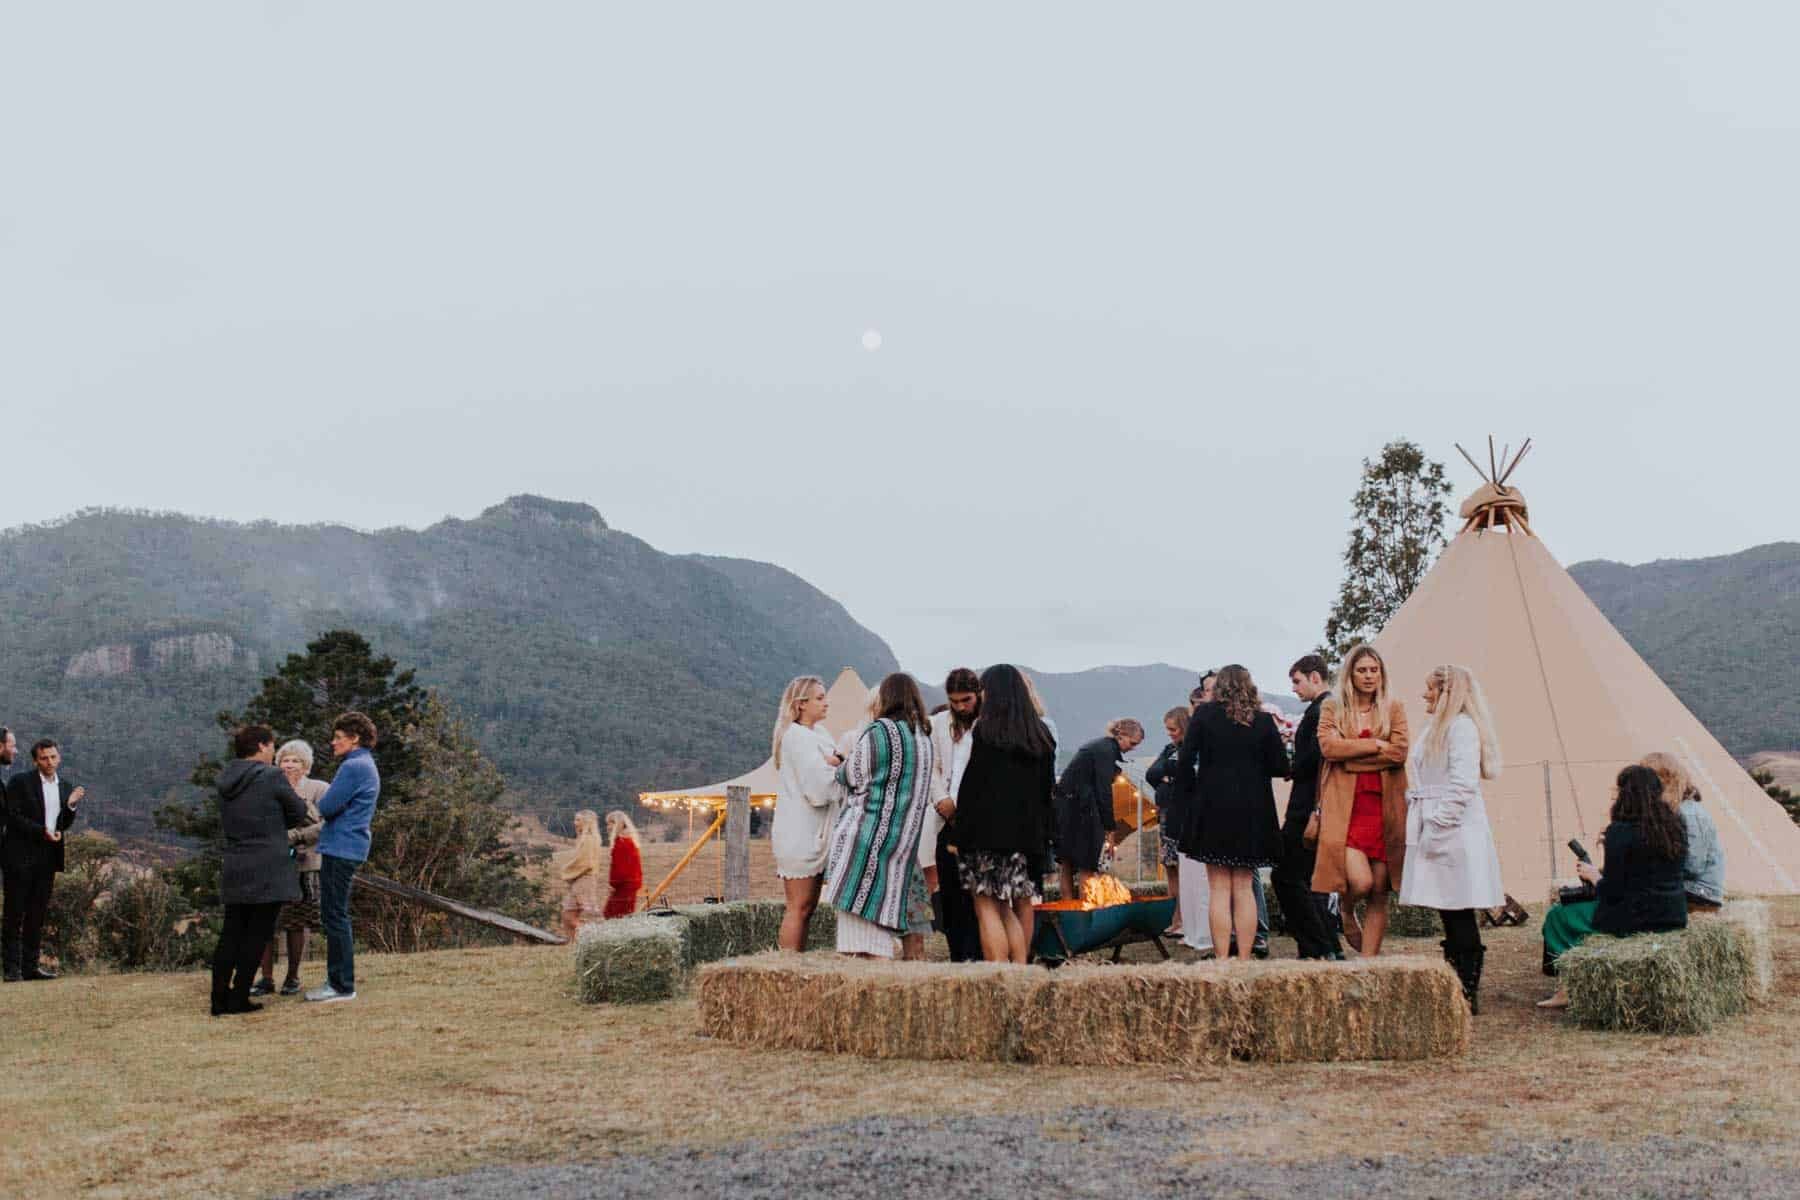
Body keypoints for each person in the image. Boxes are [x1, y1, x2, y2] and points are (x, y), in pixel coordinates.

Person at [1398, 666, 1505, 1013]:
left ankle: (1466, 988)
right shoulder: (1437, 727)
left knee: (1459, 908)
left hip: (1453, 830)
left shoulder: (1461, 728)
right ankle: (1456, 982)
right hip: (1436, 823)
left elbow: (1462, 785)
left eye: (1429, 689)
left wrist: (1438, 822)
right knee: (1448, 908)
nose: (1424, 695)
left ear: (1445, 692)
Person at [1538, 766, 1688, 1009]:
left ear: (1625, 794)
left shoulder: (1620, 831)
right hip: (1672, 913)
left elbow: (1613, 891)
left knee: (1558, 917)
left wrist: (1594, 875)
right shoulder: (1675, 827)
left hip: (1634, 917)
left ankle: (1567, 987)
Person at [1178, 666, 1289, 962]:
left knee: (1218, 888)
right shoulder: (1264, 721)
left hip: (1212, 807)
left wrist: (1191, 795)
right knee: (1244, 887)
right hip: (1253, 810)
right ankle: (1243, 959)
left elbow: (1186, 760)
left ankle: (1222, 958)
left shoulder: (1203, 716)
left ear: (1220, 688)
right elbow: (1280, 766)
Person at [822, 673, 935, 958]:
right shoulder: (924, 739)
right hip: (900, 846)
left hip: (863, 838)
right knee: (877, 937)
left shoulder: (879, 732)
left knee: (860, 941)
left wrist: (839, 765)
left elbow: (850, 775)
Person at [952, 664, 1057, 962]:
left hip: (986, 837)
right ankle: (1019, 971)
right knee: (1009, 906)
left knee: (986, 905)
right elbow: (1046, 793)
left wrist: (960, 836)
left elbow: (971, 791)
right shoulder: (1042, 736)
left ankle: (998, 973)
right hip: (1026, 840)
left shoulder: (985, 733)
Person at [1311, 644, 1410, 957]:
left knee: (1380, 890)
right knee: (1362, 882)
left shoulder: (1393, 707)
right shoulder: (1332, 708)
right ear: (1350, 674)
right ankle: (1345, 908)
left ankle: (1368, 963)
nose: (1369, 676)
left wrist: (1352, 754)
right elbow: (1329, 749)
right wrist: (1374, 745)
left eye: (1374, 670)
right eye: (1362, 670)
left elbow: (1399, 752)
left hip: (1385, 808)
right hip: (1347, 808)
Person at [210, 725, 311, 1014]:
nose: (274, 753)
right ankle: (239, 996)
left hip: (235, 861)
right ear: (262, 746)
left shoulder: (226, 778)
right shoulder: (271, 776)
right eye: (272, 747)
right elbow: (299, 812)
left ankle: (218, 998)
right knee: (257, 933)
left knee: (231, 932)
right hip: (268, 864)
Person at [1271, 656, 1343, 961]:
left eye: (1297, 681)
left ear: (1315, 677)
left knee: (1286, 876)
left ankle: (1317, 944)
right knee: (1312, 880)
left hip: (1307, 805)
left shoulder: (1321, 711)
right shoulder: (1326, 709)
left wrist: (1289, 761)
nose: (1294, 688)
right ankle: (1324, 945)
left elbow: (1313, 759)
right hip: (1314, 803)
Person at [307, 711, 380, 1004]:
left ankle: (341, 985)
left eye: (338, 738)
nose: (332, 743)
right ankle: (338, 981)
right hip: (348, 847)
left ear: (355, 738)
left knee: (334, 915)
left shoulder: (354, 767)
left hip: (341, 848)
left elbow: (328, 805)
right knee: (335, 914)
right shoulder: (364, 764)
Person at [1, 739, 85, 981]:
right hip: (19, 857)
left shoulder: (65, 786)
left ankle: (30, 967)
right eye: (44, 758)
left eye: (53, 757)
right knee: (14, 913)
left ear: (59, 757)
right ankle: (11, 969)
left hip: (47, 858)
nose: (49, 762)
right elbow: (13, 816)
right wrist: (41, 832)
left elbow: (63, 824)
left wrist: (70, 806)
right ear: (35, 760)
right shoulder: (20, 782)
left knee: (37, 914)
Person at [770, 675, 841, 951]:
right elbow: (819, 789)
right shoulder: (797, 738)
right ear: (801, 704)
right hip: (800, 833)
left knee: (808, 907)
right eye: (819, 698)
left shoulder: (820, 735)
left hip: (816, 833)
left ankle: (796, 964)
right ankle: (787, 969)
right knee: (798, 907)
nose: (826, 703)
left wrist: (833, 762)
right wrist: (839, 763)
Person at [251, 740, 326, 997]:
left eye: (295, 760)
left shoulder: (318, 789)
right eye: (285, 760)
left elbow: (326, 825)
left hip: (303, 865)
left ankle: (292, 977)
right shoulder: (267, 787)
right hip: (270, 864)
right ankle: (266, 978)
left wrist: (295, 836)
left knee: (296, 922)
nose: (289, 765)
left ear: (305, 765)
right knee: (265, 922)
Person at [1053, 719, 1144, 903]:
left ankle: (1067, 906)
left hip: (1066, 807)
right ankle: (1086, 907)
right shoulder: (1106, 752)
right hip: (1083, 810)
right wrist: (1110, 826)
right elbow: (1103, 790)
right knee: (1087, 864)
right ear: (1121, 735)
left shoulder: (1098, 747)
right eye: (1132, 743)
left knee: (1067, 862)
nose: (1132, 748)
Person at [928, 668, 984, 962]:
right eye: (955, 701)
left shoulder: (988, 724)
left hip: (979, 821)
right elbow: (931, 767)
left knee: (979, 896)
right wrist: (943, 801)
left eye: (966, 700)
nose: (961, 706)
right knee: (951, 894)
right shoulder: (936, 724)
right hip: (947, 820)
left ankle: (980, 954)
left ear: (978, 695)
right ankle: (958, 956)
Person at [1641, 752, 1725, 913]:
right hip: (1686, 888)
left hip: (1699, 893)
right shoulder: (1675, 811)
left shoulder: (1690, 814)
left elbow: (1694, 866)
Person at [1144, 707, 1190, 936]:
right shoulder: (1169, 749)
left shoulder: (1191, 749)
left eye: (1173, 729)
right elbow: (1151, 773)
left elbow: (1183, 776)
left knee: (1184, 869)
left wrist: (1169, 777)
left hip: (1182, 816)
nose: (1170, 733)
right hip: (1166, 814)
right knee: (1170, 866)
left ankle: (1187, 918)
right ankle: (1176, 918)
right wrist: (1168, 777)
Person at [559, 811, 605, 938]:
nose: (575, 823)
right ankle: (573, 943)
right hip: (579, 880)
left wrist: (566, 871)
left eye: (578, 820)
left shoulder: (589, 839)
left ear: (586, 822)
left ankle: (595, 937)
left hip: (584, 880)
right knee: (568, 914)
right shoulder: (584, 839)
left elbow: (585, 863)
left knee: (585, 913)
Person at [603, 810, 644, 918]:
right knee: (623, 916)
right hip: (631, 886)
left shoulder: (621, 843)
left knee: (612, 915)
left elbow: (619, 869)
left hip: (622, 887)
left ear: (617, 824)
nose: (608, 827)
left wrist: (613, 884)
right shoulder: (630, 841)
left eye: (610, 823)